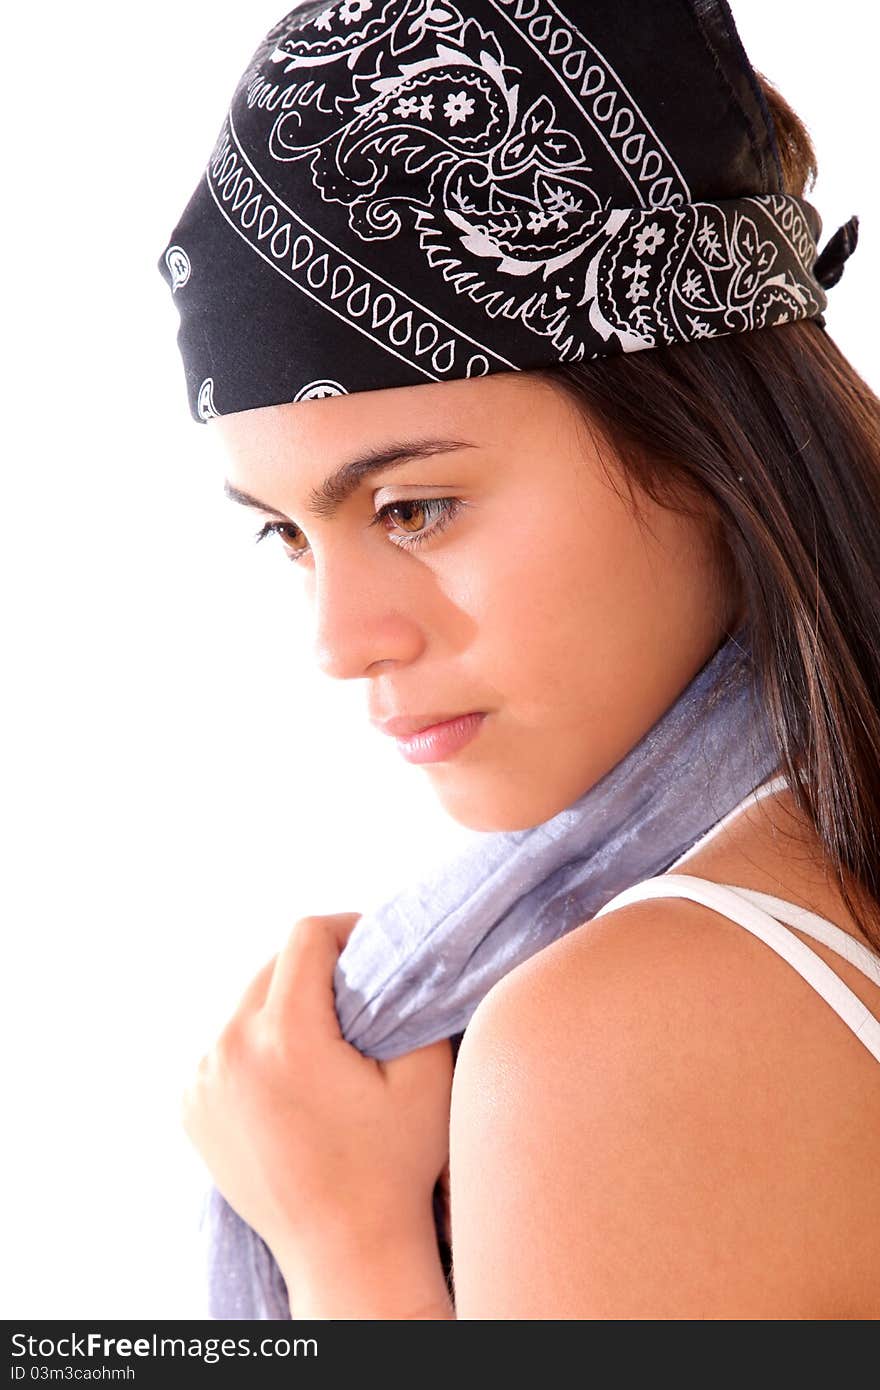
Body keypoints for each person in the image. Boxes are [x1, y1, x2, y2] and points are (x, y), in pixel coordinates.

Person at [158, 2, 880, 1318]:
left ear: (701, 445)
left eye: (411, 507)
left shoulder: (618, 1035)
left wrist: (345, 1242)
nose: (337, 640)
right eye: (287, 535)